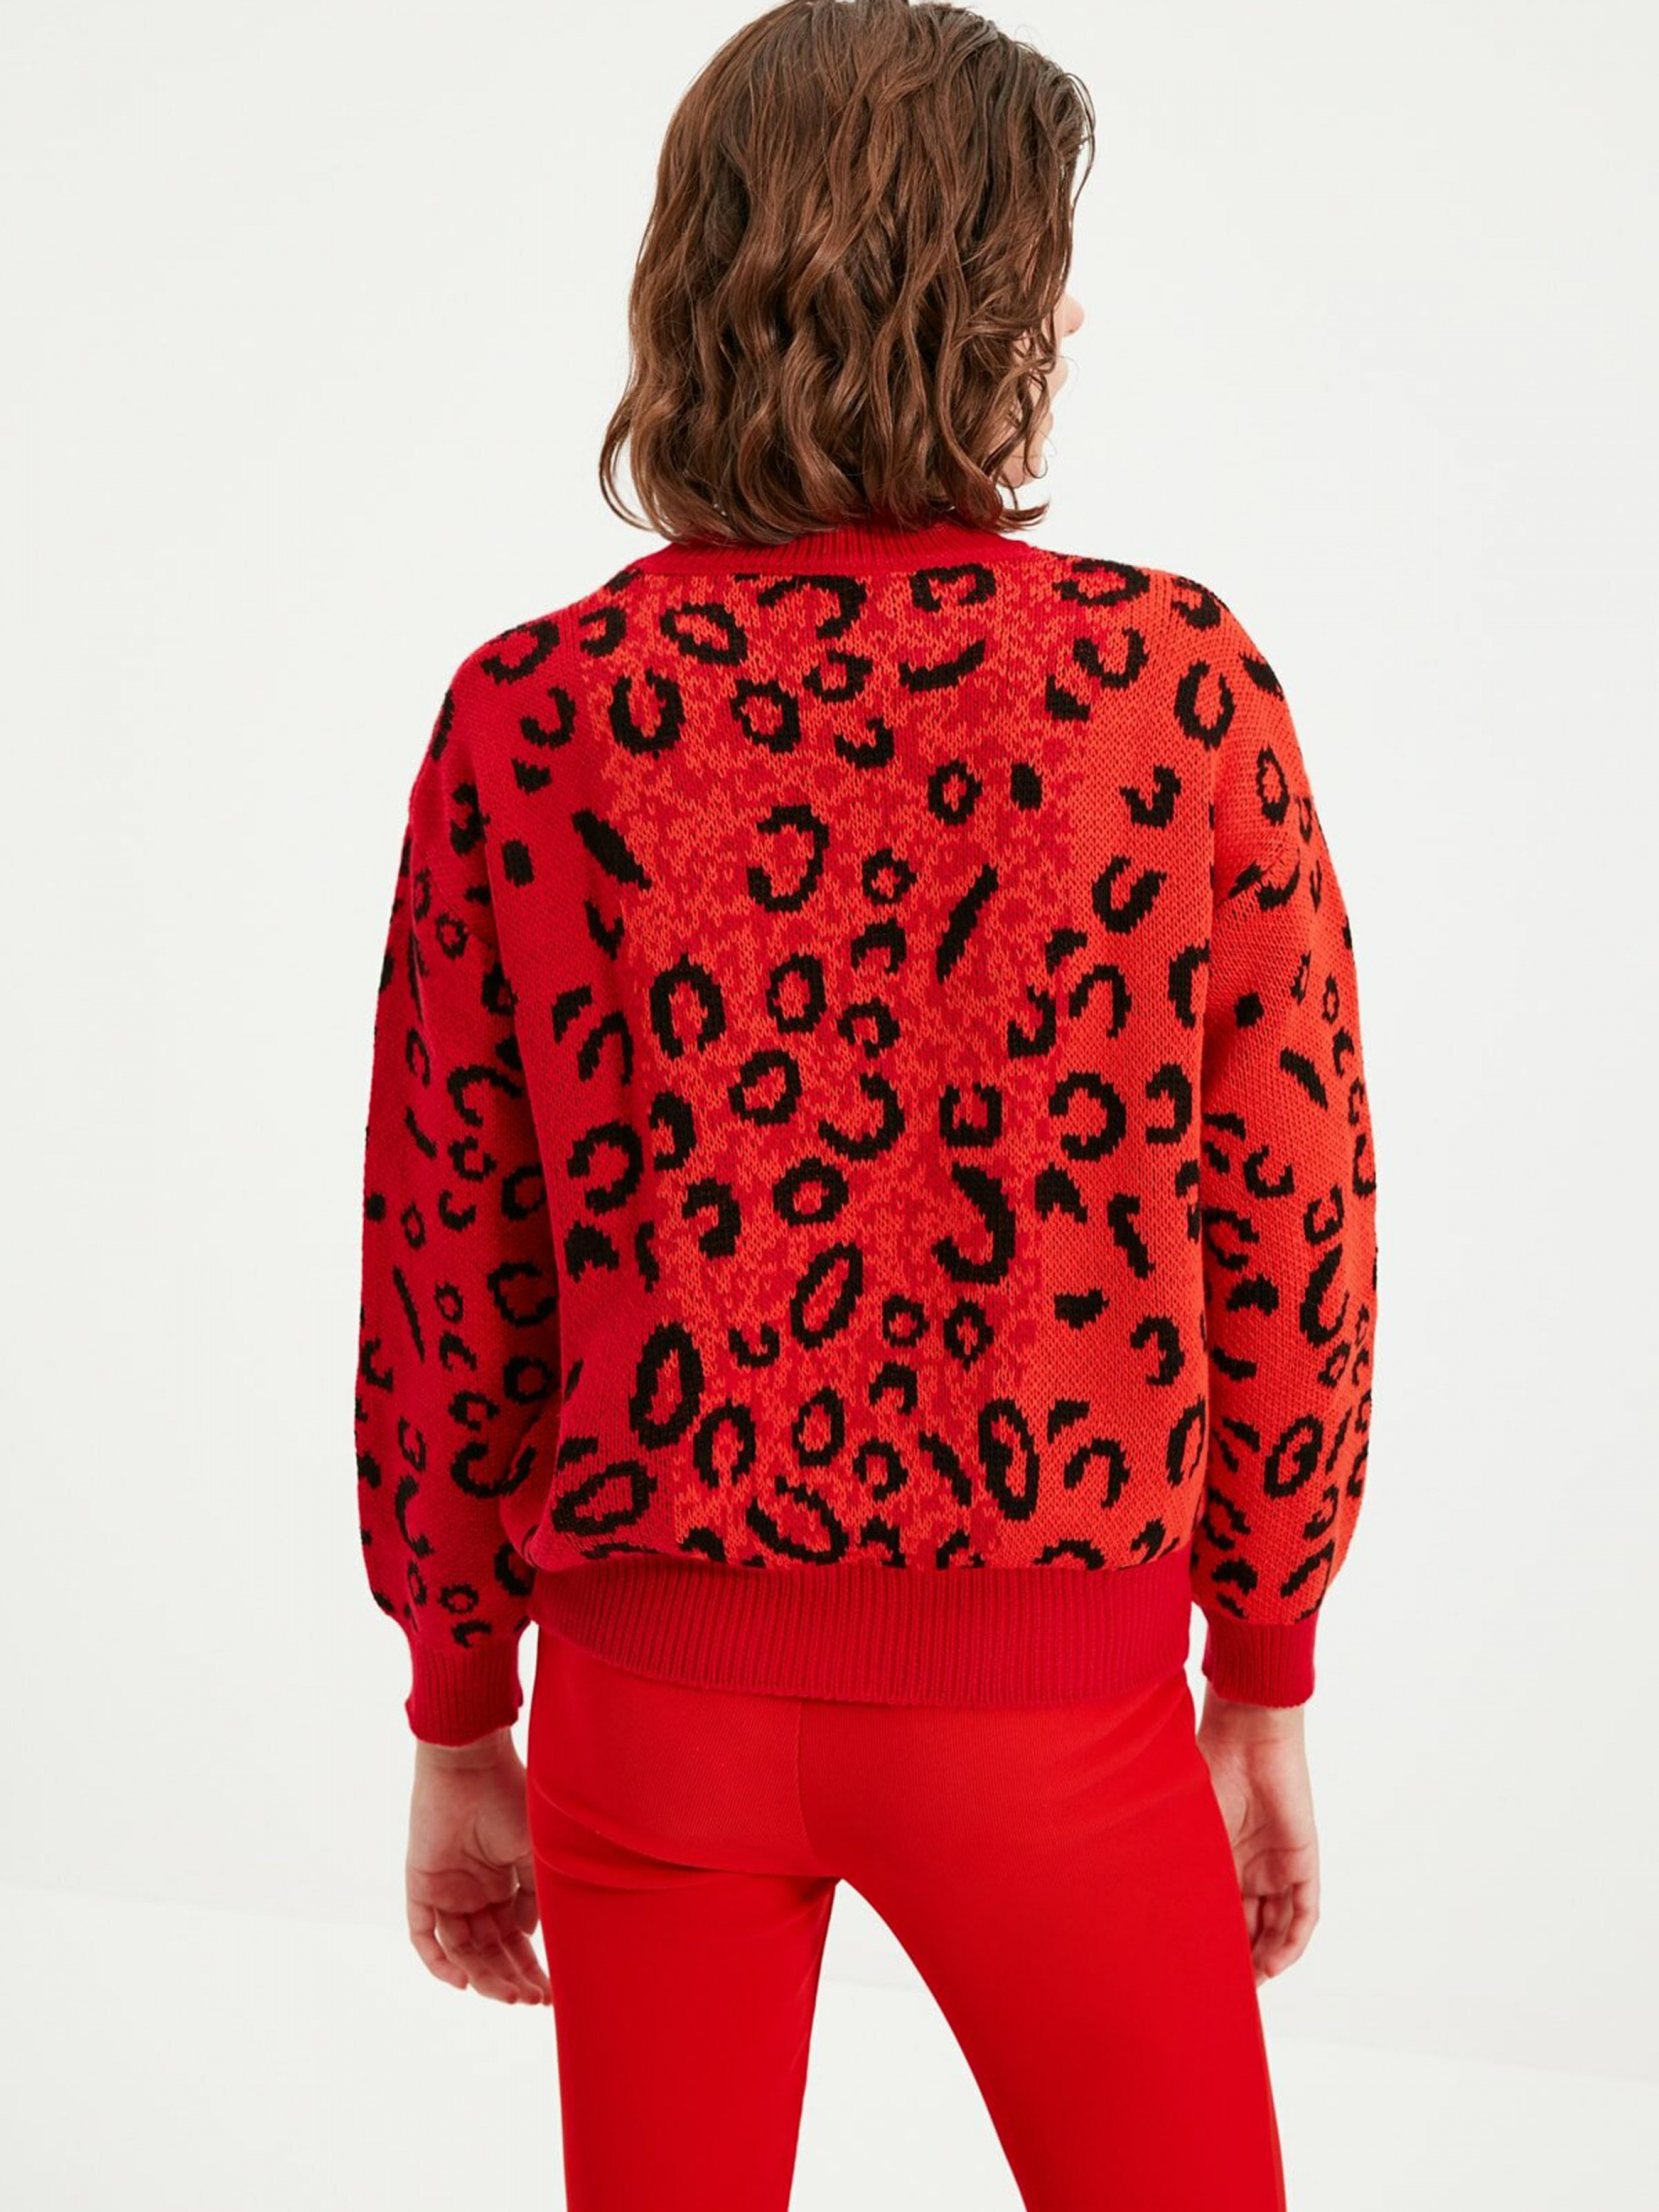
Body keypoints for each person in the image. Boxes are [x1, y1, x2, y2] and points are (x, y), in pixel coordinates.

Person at [351, 3, 1380, 2205]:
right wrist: (1262, 1661)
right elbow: (1290, 1212)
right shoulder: (1171, 687)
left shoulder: (530, 713)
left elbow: (447, 1250)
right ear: (974, 298)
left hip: (646, 1705)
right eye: (1047, 272)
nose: (1074, 318)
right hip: (1054, 1703)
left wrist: (459, 1707)